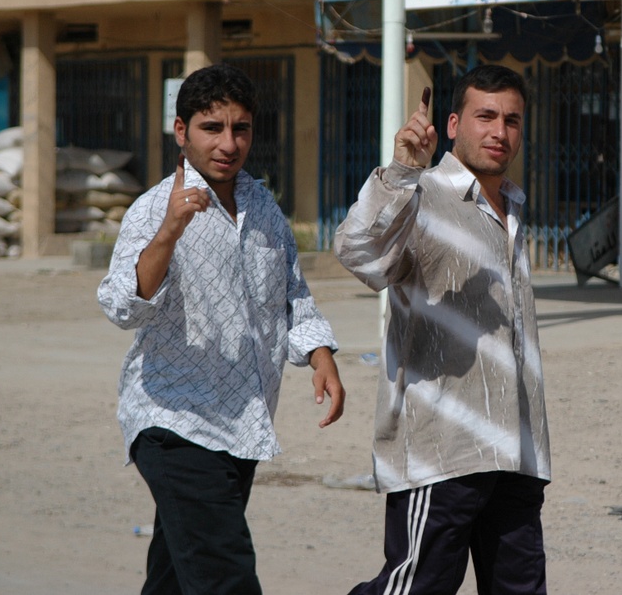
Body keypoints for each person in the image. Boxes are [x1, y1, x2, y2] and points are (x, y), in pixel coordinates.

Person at [98, 63, 345, 595]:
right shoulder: (152, 210)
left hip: (240, 424)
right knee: (225, 573)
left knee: (175, 574)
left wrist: (320, 354)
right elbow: (122, 306)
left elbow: (291, 293)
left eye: (241, 129)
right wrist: (168, 233)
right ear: (182, 131)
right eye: (213, 128)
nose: (229, 143)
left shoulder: (262, 207)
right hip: (174, 422)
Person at [334, 64, 550, 595]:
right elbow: (359, 253)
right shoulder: (423, 194)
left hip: (517, 454)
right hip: (442, 454)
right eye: (485, 117)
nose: (500, 132)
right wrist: (401, 172)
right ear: (453, 124)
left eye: (512, 120)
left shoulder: (514, 206)